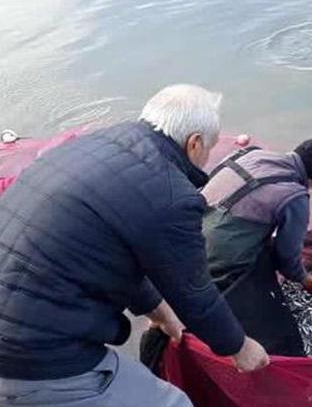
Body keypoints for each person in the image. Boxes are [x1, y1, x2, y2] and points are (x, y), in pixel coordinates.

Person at [0, 84, 268, 407]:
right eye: (208, 148)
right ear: (194, 142)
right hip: (33, 356)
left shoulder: (93, 145)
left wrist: (159, 310)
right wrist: (240, 348)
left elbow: (111, 250)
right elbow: (196, 295)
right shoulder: (170, 194)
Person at [201, 139, 312, 356]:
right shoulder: (295, 194)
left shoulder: (251, 153)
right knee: (278, 336)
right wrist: (307, 280)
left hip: (184, 236)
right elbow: (287, 258)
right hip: (215, 261)